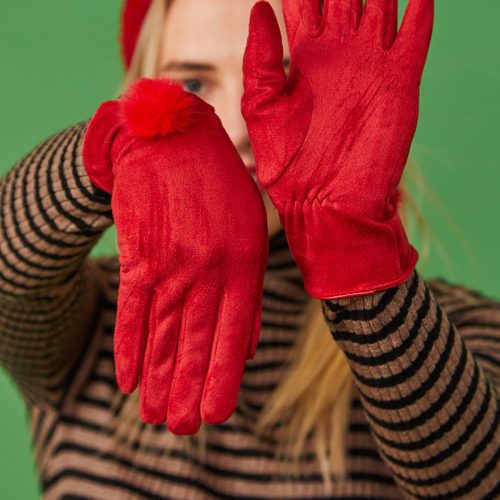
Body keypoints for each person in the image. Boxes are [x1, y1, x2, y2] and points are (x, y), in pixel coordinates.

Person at [1, 0, 499, 498]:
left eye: (281, 81)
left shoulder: (459, 332)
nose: (238, 130)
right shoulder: (94, 317)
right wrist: (113, 146)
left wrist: (356, 252)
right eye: (191, 86)